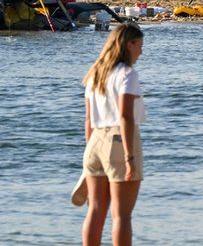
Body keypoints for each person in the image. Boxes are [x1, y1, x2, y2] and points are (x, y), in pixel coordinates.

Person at [81, 23, 145, 246]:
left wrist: (91, 149)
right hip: (119, 140)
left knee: (96, 211)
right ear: (129, 44)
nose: (141, 52)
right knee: (122, 215)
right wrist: (130, 158)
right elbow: (125, 117)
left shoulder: (95, 73)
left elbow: (88, 119)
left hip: (95, 141)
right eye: (139, 46)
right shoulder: (127, 75)